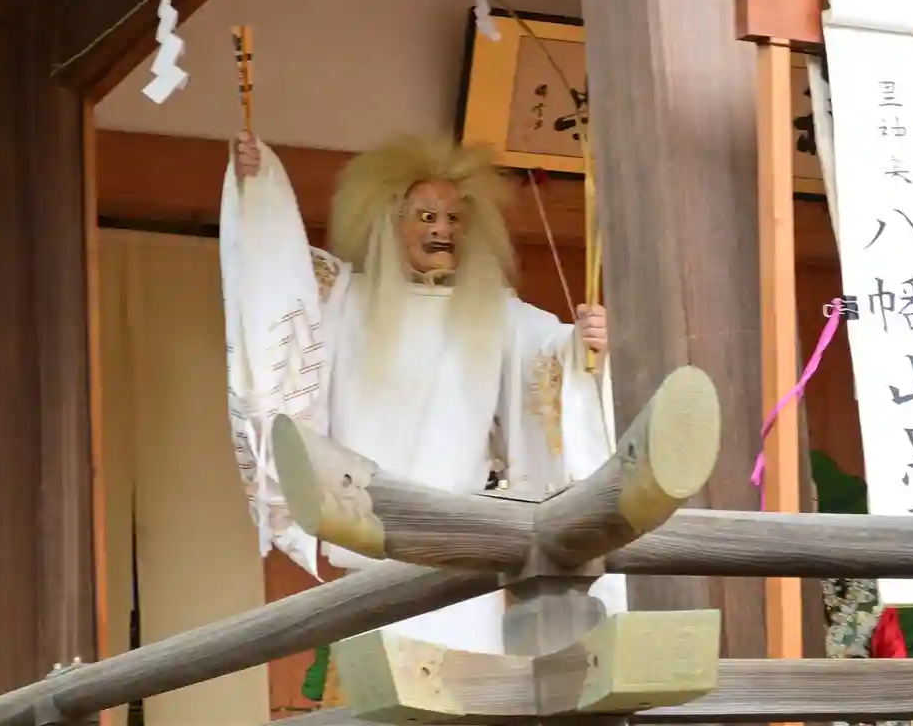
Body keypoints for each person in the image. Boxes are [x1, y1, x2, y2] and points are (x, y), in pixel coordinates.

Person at [220, 131, 623, 659]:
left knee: (472, 689)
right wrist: (258, 187)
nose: (442, 230)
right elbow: (276, 270)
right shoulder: (341, 299)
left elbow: (556, 363)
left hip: (465, 560)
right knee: (380, 685)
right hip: (370, 551)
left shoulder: (497, 312)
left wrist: (587, 344)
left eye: (455, 218)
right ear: (390, 221)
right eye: (426, 216)